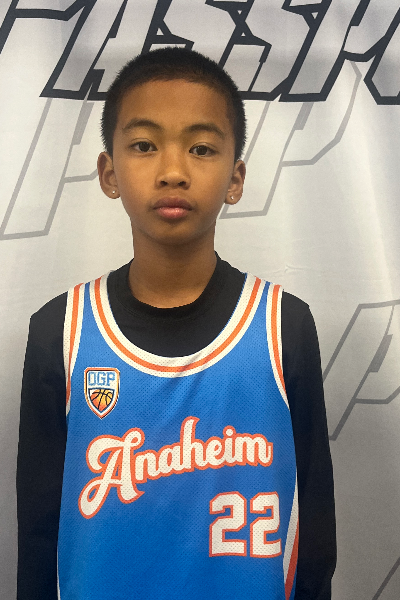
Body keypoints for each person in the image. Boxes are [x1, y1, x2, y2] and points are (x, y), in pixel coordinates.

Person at [17, 48, 336, 600]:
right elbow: (38, 532)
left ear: (235, 178)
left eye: (201, 148)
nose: (172, 171)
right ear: (109, 173)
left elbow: (314, 530)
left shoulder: (283, 325)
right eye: (144, 145)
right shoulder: (61, 331)